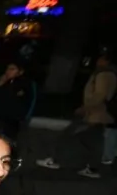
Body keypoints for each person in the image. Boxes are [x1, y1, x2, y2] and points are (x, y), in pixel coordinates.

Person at [37, 49, 116, 178]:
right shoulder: (109, 74)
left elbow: (99, 95)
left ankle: (56, 160)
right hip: (98, 114)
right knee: (93, 141)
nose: (98, 61)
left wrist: (85, 108)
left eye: (101, 59)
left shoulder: (104, 74)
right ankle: (92, 168)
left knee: (68, 135)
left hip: (93, 114)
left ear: (106, 61)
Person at [0, 60, 35, 140]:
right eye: (7, 69)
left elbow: (31, 102)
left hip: (12, 120)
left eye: (12, 69)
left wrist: (24, 118)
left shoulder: (27, 84)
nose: (8, 71)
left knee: (7, 141)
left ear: (20, 72)